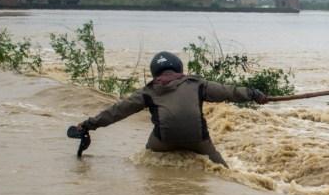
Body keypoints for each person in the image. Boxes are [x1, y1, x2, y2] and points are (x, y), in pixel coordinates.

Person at [69, 51, 268, 167]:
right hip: (198, 141)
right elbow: (228, 92)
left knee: (146, 160)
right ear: (179, 69)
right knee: (222, 170)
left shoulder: (148, 92)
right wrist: (253, 93)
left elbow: (117, 111)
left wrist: (88, 125)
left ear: (155, 73)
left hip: (163, 142)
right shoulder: (196, 84)